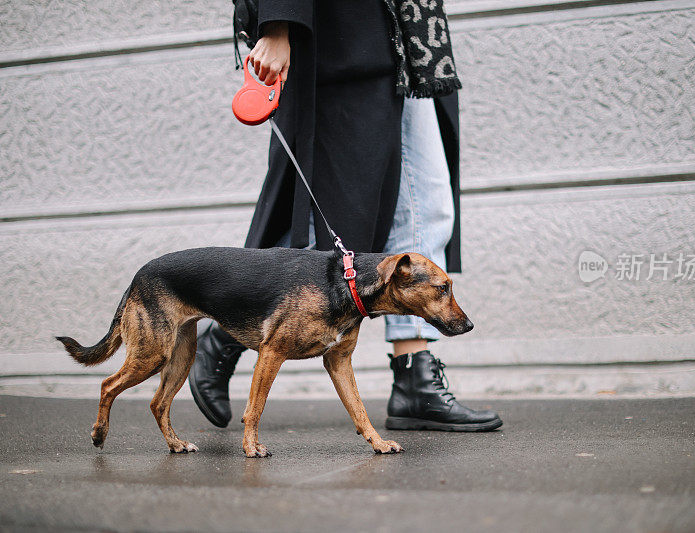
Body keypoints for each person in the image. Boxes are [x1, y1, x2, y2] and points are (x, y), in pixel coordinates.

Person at [189, 0, 502, 432]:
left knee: (426, 208)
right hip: (341, 38)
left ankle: (414, 376)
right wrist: (279, 25)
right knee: (326, 232)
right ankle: (227, 336)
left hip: (408, 45)